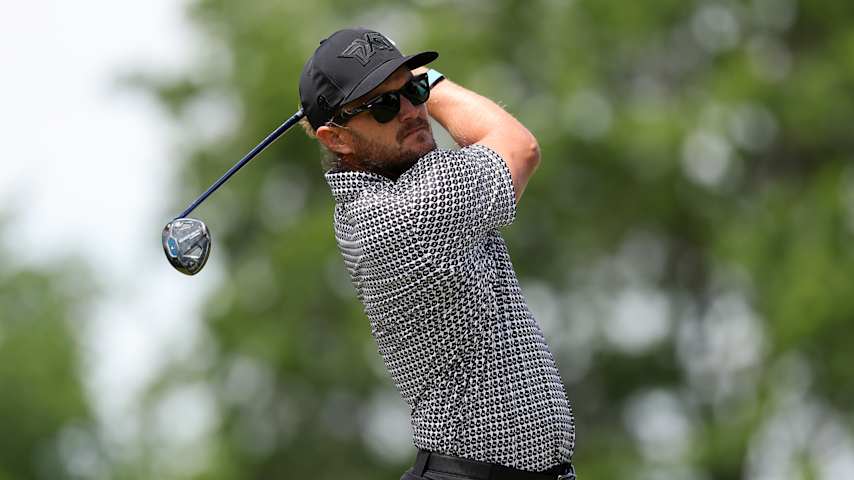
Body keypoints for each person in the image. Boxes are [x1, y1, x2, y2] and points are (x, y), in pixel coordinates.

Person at [298, 28, 576, 480]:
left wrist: (405, 86)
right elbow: (518, 146)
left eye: (413, 91)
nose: (411, 110)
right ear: (337, 140)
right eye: (384, 105)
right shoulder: (403, 213)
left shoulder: (373, 201)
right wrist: (431, 80)